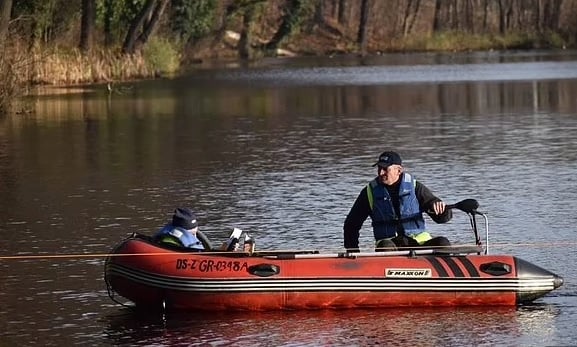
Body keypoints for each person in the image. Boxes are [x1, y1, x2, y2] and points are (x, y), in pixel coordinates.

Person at [343, 151, 452, 252]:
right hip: (390, 245)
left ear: (399, 170)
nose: (381, 173)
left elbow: (442, 219)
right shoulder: (369, 192)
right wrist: (353, 252)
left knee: (443, 243)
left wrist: (441, 210)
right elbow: (351, 224)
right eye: (379, 168)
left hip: (419, 243)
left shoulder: (415, 187)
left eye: (385, 169)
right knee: (385, 246)